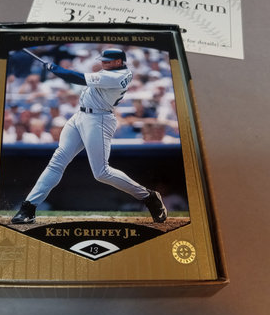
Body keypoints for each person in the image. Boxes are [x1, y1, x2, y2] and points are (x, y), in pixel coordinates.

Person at [11, 48, 167, 224]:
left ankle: (148, 197)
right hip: (80, 115)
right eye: (103, 60)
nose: (104, 63)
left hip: (99, 119)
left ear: (119, 62)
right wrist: (58, 70)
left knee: (101, 172)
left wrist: (56, 69)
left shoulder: (116, 76)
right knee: (57, 161)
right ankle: (28, 208)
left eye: (108, 61)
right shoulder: (114, 70)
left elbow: (77, 78)